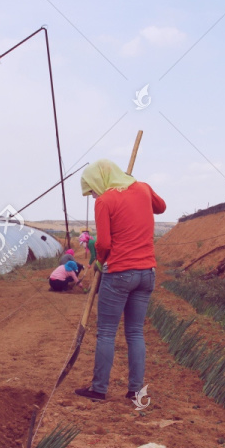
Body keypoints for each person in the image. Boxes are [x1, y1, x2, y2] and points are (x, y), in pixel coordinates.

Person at [74, 159, 166, 403]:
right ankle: (135, 390)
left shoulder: (105, 201)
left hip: (119, 272)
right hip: (147, 273)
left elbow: (103, 243)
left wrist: (100, 263)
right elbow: (161, 207)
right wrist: (134, 184)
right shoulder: (144, 188)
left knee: (106, 332)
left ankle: (99, 389)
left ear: (100, 181)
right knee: (135, 332)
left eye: (92, 190)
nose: (94, 196)